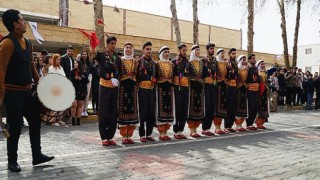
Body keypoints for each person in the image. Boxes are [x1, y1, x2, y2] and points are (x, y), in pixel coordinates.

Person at [0, 9, 54, 172]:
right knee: (15, 127)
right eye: (22, 20)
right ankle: (12, 161)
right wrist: (1, 95)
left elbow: (31, 66)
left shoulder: (28, 42)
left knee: (35, 122)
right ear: (15, 24)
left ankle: (36, 155)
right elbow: (0, 70)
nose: (25, 23)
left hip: (27, 92)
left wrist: (41, 84)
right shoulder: (7, 43)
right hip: (12, 93)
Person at [94, 36, 121, 146]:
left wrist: (117, 80)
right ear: (107, 44)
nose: (113, 45)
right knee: (104, 112)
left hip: (114, 87)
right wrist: (92, 45)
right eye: (112, 43)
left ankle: (110, 136)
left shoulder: (117, 58)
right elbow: (93, 54)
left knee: (113, 112)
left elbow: (119, 71)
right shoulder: (101, 55)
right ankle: (104, 137)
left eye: (115, 43)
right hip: (104, 86)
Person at [118, 42, 139, 144]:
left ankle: (129, 135)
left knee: (132, 110)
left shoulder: (135, 62)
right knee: (123, 110)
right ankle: (123, 136)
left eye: (130, 48)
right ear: (124, 49)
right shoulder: (120, 61)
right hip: (123, 88)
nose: (128, 49)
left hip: (133, 89)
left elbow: (138, 75)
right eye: (126, 47)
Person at [136, 42, 157, 143]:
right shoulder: (139, 62)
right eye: (147, 49)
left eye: (150, 49)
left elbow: (156, 76)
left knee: (151, 112)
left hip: (151, 89)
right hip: (142, 89)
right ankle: (141, 134)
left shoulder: (154, 63)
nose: (149, 51)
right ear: (143, 50)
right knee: (143, 112)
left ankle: (149, 133)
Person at [156, 46, 174, 141]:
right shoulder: (157, 64)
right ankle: (161, 132)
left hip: (169, 89)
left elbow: (175, 75)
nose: (167, 54)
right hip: (160, 88)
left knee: (168, 110)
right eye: (165, 52)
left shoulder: (172, 64)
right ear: (161, 53)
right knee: (161, 109)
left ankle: (166, 132)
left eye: (168, 52)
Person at [171, 43, 189, 139]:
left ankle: (181, 130)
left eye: (186, 50)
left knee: (184, 109)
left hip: (185, 87)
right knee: (178, 109)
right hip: (177, 87)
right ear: (179, 50)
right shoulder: (174, 62)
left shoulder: (187, 62)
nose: (185, 52)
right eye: (183, 50)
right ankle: (176, 130)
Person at [187, 45, 204, 138]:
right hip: (192, 87)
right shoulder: (189, 63)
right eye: (196, 50)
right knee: (192, 107)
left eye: (199, 50)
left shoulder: (201, 63)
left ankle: (196, 129)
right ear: (193, 51)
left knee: (199, 107)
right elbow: (187, 74)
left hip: (200, 87)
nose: (198, 52)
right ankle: (191, 129)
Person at [201, 43, 217, 136]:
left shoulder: (215, 61)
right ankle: (204, 128)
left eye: (213, 49)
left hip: (213, 85)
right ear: (207, 50)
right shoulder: (203, 60)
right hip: (206, 85)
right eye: (211, 49)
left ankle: (208, 128)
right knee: (207, 107)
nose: (212, 50)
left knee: (212, 107)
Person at [70, 60, 89, 125]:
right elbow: (70, 79)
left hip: (82, 90)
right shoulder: (72, 71)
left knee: (80, 105)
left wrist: (81, 79)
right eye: (74, 63)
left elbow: (87, 81)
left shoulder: (84, 72)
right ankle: (73, 119)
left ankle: (78, 120)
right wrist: (74, 78)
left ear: (79, 64)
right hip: (74, 90)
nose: (75, 64)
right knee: (74, 105)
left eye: (76, 63)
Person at [213, 49, 228, 134]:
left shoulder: (225, 64)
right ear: (218, 54)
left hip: (224, 85)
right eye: (221, 53)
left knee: (223, 106)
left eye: (224, 53)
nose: (223, 55)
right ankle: (216, 126)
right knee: (217, 106)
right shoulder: (215, 63)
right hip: (217, 86)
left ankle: (220, 126)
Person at [225, 48, 238, 133]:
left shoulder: (236, 64)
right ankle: (227, 125)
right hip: (229, 86)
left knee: (234, 106)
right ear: (229, 54)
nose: (234, 55)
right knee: (229, 106)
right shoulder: (227, 63)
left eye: (235, 53)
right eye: (233, 53)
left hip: (235, 86)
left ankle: (231, 125)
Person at [246, 54, 260, 130]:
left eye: (255, 58)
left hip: (256, 89)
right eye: (253, 58)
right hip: (250, 89)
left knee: (255, 107)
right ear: (249, 60)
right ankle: (249, 123)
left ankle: (251, 123)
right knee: (251, 107)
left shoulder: (256, 68)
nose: (254, 60)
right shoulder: (247, 68)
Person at [234, 55, 248, 132]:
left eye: (245, 59)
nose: (244, 61)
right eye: (243, 59)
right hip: (238, 88)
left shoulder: (246, 70)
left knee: (243, 106)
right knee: (238, 105)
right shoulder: (237, 69)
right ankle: (237, 124)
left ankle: (241, 124)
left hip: (244, 88)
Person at [256, 60, 269, 129]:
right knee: (260, 106)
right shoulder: (257, 73)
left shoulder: (265, 73)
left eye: (264, 64)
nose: (263, 65)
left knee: (264, 106)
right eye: (261, 64)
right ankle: (258, 122)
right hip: (259, 90)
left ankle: (262, 122)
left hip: (265, 90)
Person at [80, 49, 92, 117]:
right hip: (81, 80)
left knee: (87, 95)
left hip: (88, 80)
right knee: (82, 95)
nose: (84, 55)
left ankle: (85, 110)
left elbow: (90, 71)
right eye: (83, 54)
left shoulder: (89, 62)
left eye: (85, 54)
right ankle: (81, 110)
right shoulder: (79, 62)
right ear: (81, 55)